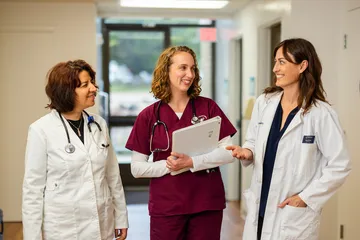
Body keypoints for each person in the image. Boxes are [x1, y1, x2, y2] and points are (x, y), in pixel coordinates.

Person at [226, 38, 351, 240]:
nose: (275, 68)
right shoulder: (264, 102)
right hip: (260, 206)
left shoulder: (321, 113)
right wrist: (247, 151)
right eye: (275, 61)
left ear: (302, 65)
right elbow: (252, 141)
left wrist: (305, 198)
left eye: (282, 62)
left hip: (291, 216)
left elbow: (340, 165)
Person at [125, 46, 237, 240]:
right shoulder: (149, 116)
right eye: (183, 68)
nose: (190, 74)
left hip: (206, 203)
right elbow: (137, 168)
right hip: (167, 206)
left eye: (193, 69)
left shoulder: (208, 107)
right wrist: (171, 165)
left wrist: (191, 162)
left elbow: (228, 152)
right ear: (166, 71)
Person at [22, 60, 129, 240]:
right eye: (85, 85)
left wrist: (121, 218)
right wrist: (32, 237)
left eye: (92, 83)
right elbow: (32, 190)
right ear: (66, 91)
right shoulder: (41, 130)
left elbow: (112, 176)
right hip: (64, 228)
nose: (94, 88)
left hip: (101, 223)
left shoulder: (98, 124)